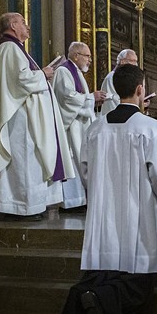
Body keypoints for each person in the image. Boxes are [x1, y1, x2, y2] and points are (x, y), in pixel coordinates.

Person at [59, 64, 157, 314]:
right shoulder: (150, 128)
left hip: (103, 212)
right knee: (138, 278)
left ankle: (88, 297)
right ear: (140, 89)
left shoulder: (96, 128)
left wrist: (101, 192)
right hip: (139, 211)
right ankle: (101, 300)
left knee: (105, 268)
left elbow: (85, 172)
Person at [0, 12, 72, 220]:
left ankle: (27, 205)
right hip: (20, 119)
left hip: (26, 117)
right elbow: (20, 80)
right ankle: (20, 207)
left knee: (30, 162)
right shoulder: (9, 48)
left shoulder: (15, 49)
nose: (27, 26)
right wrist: (43, 74)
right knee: (24, 162)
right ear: (13, 25)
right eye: (23, 22)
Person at [52, 41, 98, 211]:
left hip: (79, 126)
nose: (89, 60)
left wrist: (91, 99)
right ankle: (72, 203)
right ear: (76, 55)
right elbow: (68, 98)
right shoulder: (64, 71)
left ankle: (81, 200)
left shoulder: (75, 71)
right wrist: (91, 97)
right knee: (72, 161)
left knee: (81, 161)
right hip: (71, 127)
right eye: (87, 56)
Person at [99, 49, 136, 114]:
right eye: (132, 61)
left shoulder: (125, 78)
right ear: (123, 61)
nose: (135, 65)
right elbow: (113, 101)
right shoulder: (112, 78)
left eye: (136, 61)